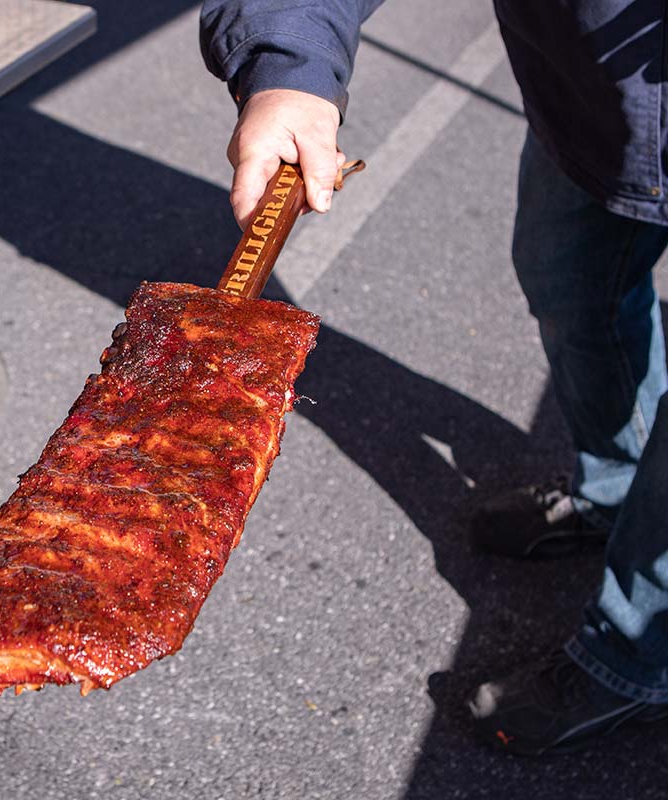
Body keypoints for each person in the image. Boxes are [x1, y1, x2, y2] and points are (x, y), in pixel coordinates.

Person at [200, 0, 668, 756]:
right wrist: (289, 67)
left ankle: (640, 653)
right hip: (594, 102)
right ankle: (614, 490)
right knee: (569, 286)